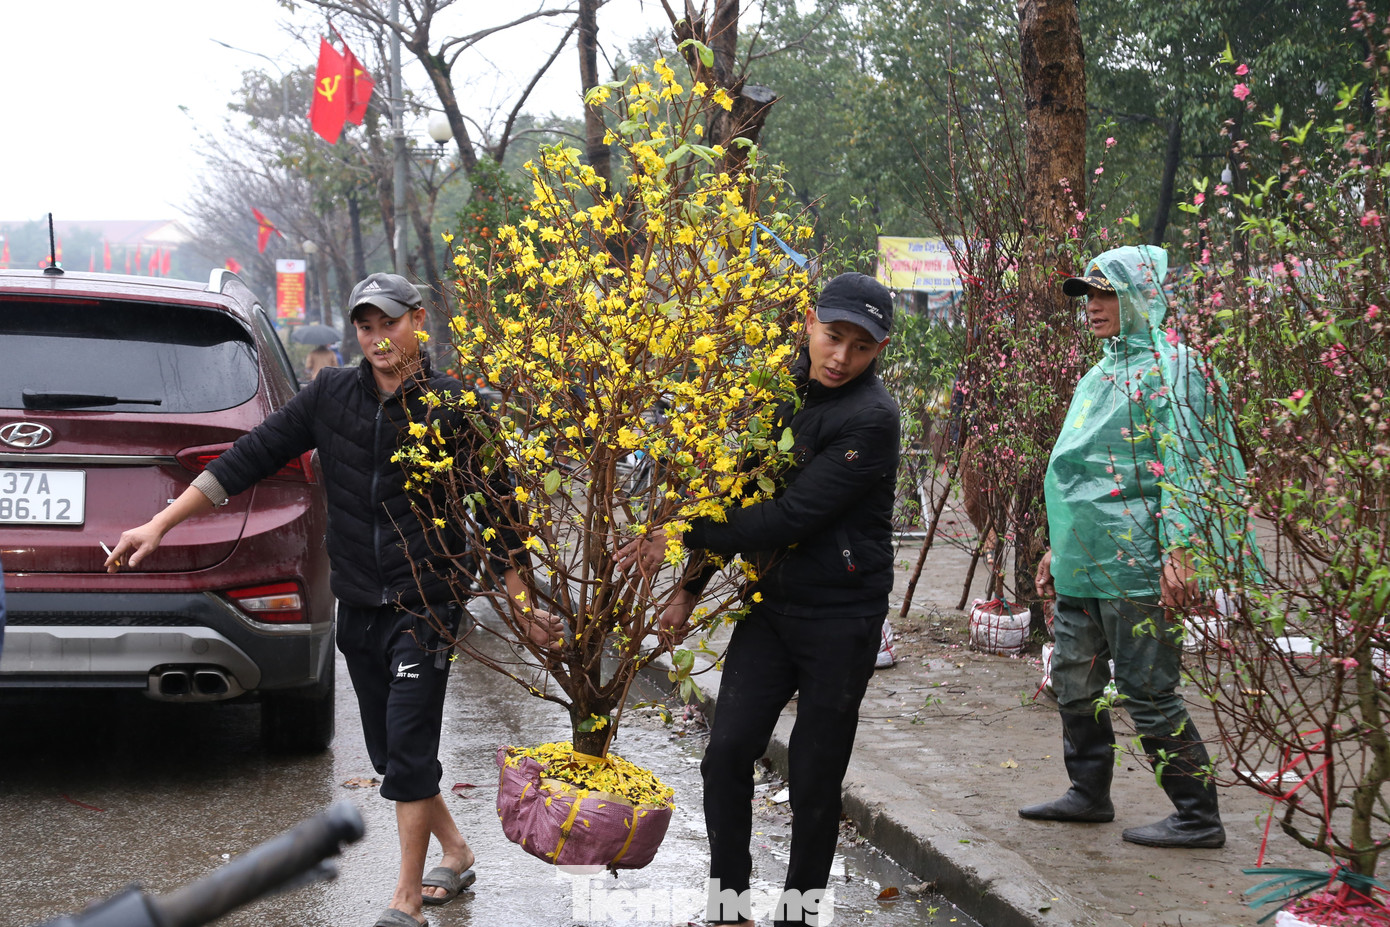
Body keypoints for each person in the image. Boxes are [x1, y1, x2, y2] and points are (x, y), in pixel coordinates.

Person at [107, 272, 553, 927]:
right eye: (365, 326)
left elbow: (501, 508)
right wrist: (160, 522)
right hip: (359, 603)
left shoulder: (455, 406)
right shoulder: (330, 395)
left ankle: (404, 901)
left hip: (424, 603)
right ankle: (454, 849)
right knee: (389, 755)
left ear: (418, 321)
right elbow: (246, 459)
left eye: (389, 323)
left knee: (407, 743)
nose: (377, 338)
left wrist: (521, 602)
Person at [617, 272, 901, 927]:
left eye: (860, 347)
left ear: (879, 350)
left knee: (813, 778)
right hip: (771, 607)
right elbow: (736, 493)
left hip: (842, 617)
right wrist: (688, 590)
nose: (841, 356)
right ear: (809, 322)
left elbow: (786, 516)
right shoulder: (777, 394)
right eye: (833, 337)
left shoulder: (872, 417)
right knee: (726, 753)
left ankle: (798, 917)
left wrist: (675, 529)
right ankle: (729, 907)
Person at [1020, 244, 1246, 849]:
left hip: (1141, 561)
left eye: (1106, 293)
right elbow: (1076, 474)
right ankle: (1088, 793)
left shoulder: (1177, 371)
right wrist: (1056, 548)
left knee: (1148, 688)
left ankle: (1198, 817)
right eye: (1087, 295)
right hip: (1083, 560)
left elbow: (1190, 467)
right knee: (1074, 677)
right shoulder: (1099, 373)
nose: (1093, 306)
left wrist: (1184, 550)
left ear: (1142, 295)